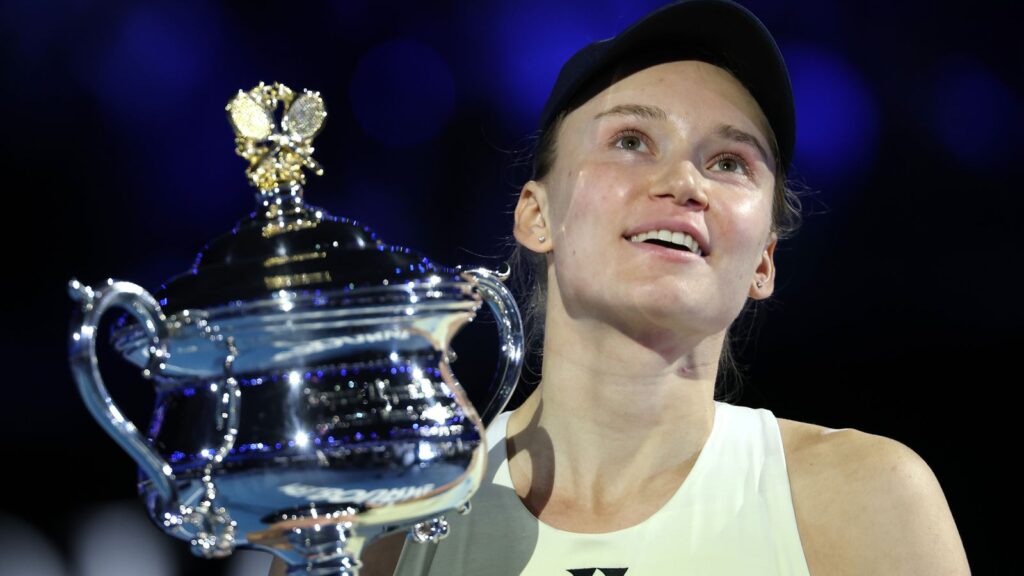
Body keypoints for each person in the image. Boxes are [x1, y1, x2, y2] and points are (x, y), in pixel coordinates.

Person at [292, 1, 971, 574]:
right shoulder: (389, 522)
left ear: (764, 260)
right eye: (631, 141)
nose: (685, 182)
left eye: (729, 161)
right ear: (536, 216)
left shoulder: (864, 501)